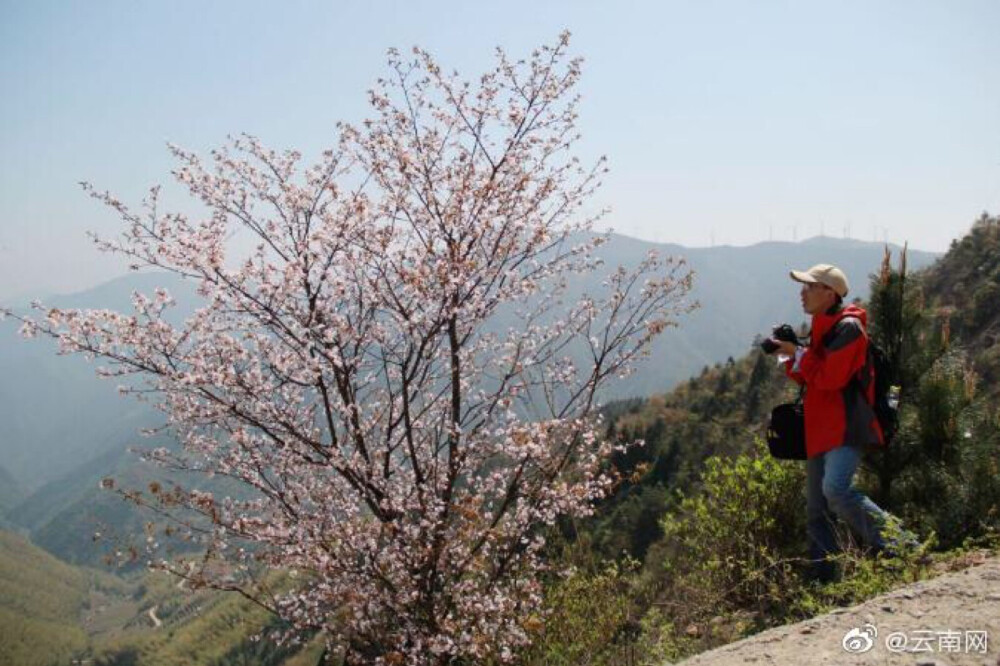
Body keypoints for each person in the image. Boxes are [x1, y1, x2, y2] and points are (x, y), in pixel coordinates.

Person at [768, 263, 914, 583]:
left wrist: (799, 353)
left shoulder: (848, 328)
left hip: (844, 426)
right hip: (820, 426)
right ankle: (824, 578)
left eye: (809, 287)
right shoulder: (822, 323)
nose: (802, 293)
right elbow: (810, 377)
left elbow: (831, 378)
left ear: (829, 292)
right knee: (817, 510)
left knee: (835, 490)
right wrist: (788, 353)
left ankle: (906, 548)